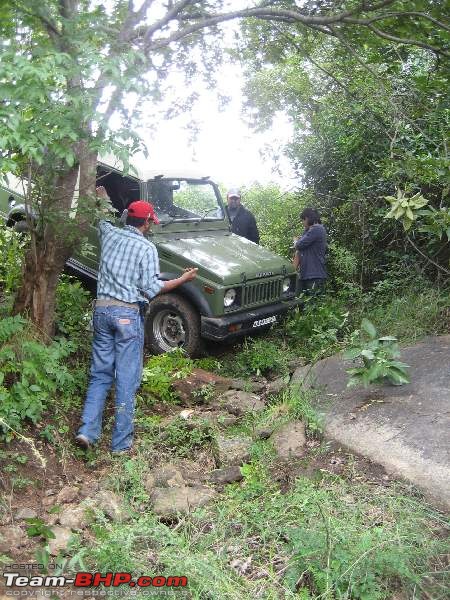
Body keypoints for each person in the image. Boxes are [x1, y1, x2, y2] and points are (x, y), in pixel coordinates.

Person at [75, 187, 197, 453]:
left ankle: (87, 431)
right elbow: (153, 288)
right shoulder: (147, 248)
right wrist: (183, 280)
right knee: (127, 379)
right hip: (127, 315)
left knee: (99, 375)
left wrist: (102, 198)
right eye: (151, 222)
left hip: (102, 311)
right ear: (146, 223)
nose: (151, 227)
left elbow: (103, 217)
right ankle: (120, 445)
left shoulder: (108, 234)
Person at [294, 207, 327, 294]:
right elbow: (299, 248)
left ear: (308, 218)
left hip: (314, 275)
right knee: (302, 304)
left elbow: (298, 245)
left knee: (313, 304)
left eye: (303, 220)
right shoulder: (309, 230)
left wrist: (296, 241)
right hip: (306, 275)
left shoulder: (317, 229)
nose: (303, 223)